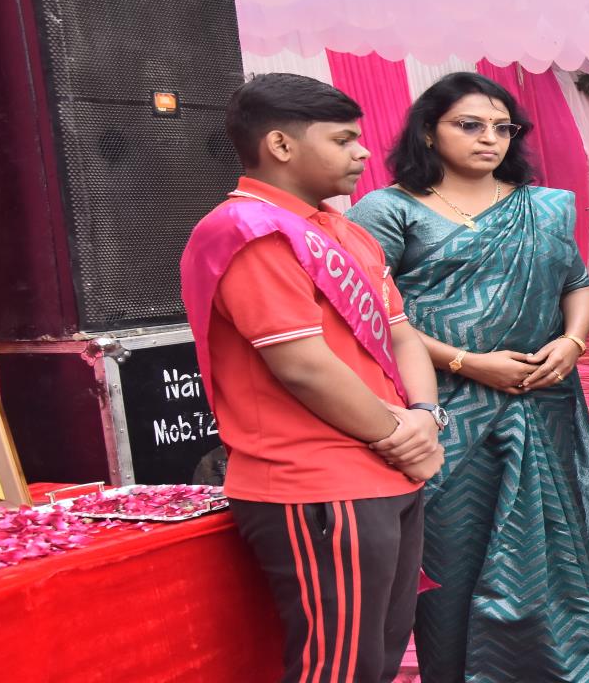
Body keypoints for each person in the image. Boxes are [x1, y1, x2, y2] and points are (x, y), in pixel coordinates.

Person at [347, 72, 589, 682]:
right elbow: (370, 315)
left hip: (542, 395)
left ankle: (570, 668)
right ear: (429, 130)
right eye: (470, 125)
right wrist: (468, 362)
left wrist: (573, 341)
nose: (490, 139)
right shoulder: (389, 210)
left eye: (503, 128)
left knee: (551, 543)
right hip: (445, 407)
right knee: (456, 552)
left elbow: (578, 284)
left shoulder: (541, 205)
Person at [180, 73, 444, 683]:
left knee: (378, 657)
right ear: (280, 144)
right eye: (343, 139)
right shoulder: (247, 229)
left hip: (387, 470)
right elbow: (301, 365)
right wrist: (400, 435)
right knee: (339, 664)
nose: (362, 153)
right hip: (316, 482)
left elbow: (401, 333)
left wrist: (427, 417)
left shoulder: (343, 231)